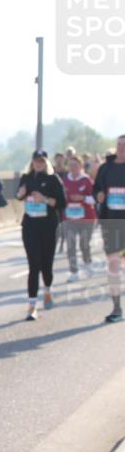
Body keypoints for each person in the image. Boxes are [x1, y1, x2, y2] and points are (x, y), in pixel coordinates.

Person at [16, 151, 66, 320]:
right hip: (30, 225)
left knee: (46, 264)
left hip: (48, 226)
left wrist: (44, 199)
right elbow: (18, 195)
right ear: (32, 162)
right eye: (36, 161)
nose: (38, 164)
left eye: (41, 161)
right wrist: (21, 193)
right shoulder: (26, 177)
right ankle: (32, 306)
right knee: (33, 265)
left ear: (46, 162)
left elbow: (62, 203)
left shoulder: (53, 179)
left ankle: (48, 290)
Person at [93, 135, 125, 323]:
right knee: (113, 263)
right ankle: (117, 308)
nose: (121, 147)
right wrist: (99, 195)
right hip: (111, 223)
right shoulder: (106, 168)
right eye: (119, 144)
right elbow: (96, 189)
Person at [62, 155, 96, 282]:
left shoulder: (87, 180)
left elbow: (95, 199)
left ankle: (88, 264)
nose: (73, 167)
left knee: (84, 244)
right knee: (70, 245)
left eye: (75, 165)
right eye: (70, 165)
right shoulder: (65, 181)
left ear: (81, 166)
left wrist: (82, 198)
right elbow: (61, 198)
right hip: (69, 217)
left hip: (86, 217)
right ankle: (73, 272)